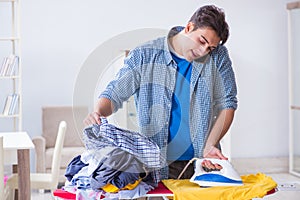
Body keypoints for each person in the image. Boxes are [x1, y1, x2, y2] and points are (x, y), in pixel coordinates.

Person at [84, 4, 237, 180]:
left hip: (204, 164)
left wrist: (210, 145)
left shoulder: (219, 57)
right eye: (202, 41)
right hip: (158, 165)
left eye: (210, 47)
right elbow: (115, 93)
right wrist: (98, 113)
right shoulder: (145, 55)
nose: (203, 51)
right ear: (189, 27)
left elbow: (228, 103)